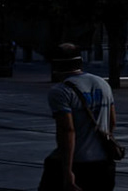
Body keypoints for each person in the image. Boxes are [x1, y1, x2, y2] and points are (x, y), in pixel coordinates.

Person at [46, 43, 118, 191]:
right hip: (103, 163)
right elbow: (112, 121)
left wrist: (67, 171)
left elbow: (67, 131)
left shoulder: (61, 91)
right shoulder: (102, 83)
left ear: (55, 65)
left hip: (78, 162)